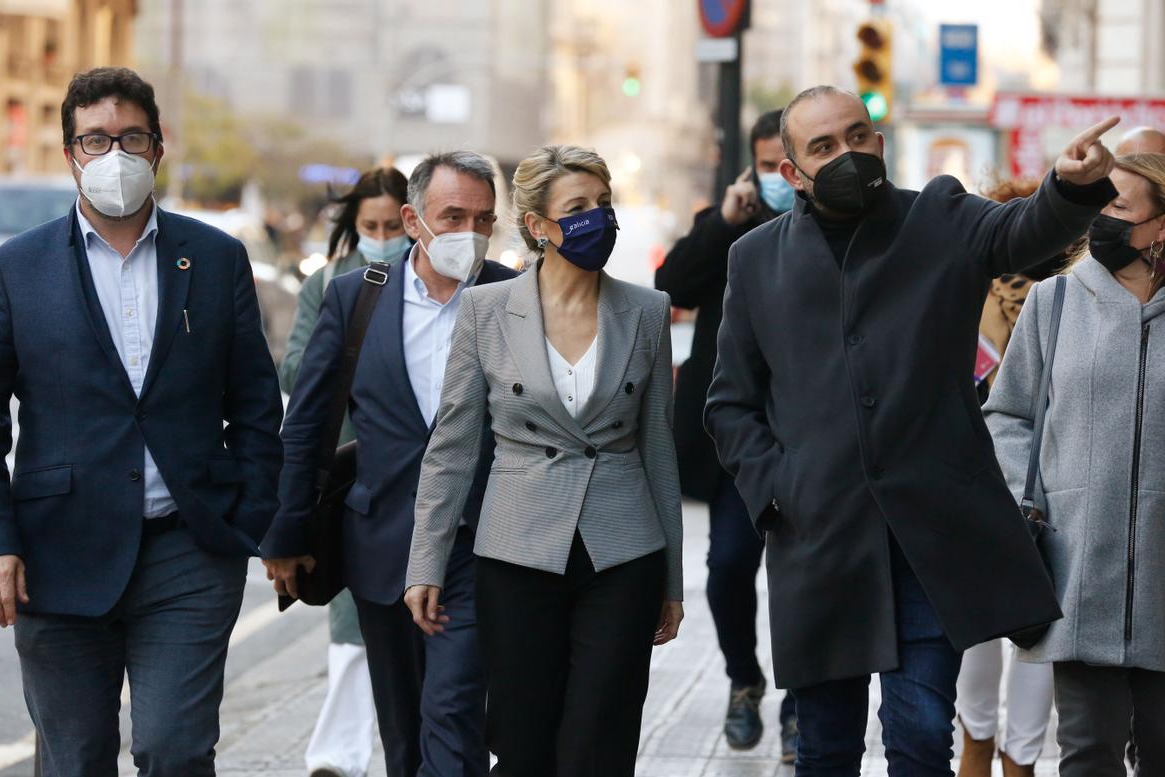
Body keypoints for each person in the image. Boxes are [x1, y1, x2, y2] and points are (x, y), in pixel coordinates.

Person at [703, 85, 1118, 775]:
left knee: (922, 740)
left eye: (859, 135)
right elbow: (729, 403)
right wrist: (778, 490)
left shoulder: (941, 217)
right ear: (792, 173)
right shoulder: (755, 260)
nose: (849, 153)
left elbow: (1023, 233)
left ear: (880, 139)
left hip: (931, 541)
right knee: (825, 746)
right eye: (825, 147)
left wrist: (1069, 187)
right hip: (820, 544)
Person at [0, 67, 283, 777]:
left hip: (190, 551)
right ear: (71, 153)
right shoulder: (15, 270)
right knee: (75, 760)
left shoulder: (216, 258)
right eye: (95, 139)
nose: (114, 154)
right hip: (56, 557)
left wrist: (250, 513)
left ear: (158, 147)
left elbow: (257, 403)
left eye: (130, 136)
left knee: (174, 748)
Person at [404, 144, 684, 777]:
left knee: (600, 743)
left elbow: (658, 450)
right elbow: (452, 446)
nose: (598, 220)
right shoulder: (485, 310)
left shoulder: (646, 311)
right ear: (536, 225)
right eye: (578, 207)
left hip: (623, 552)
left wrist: (671, 580)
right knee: (524, 742)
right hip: (518, 552)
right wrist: (426, 560)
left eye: (604, 205)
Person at [264, 151, 515, 777]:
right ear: (412, 220)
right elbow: (311, 425)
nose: (470, 233)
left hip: (478, 545)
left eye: (483, 221)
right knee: (403, 734)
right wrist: (285, 535)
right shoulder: (357, 299)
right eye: (452, 216)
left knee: (453, 717)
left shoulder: (512, 295)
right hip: (384, 547)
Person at [984, 152, 1165, 777]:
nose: (1100, 220)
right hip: (1080, 570)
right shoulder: (1054, 302)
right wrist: (1026, 502)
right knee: (1087, 754)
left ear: (1160, 227)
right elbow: (1007, 416)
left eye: (1118, 207)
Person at [655, 109, 798, 756]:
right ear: (751, 166)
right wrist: (725, 219)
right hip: (738, 440)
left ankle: (802, 698)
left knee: (805, 576)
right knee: (730, 564)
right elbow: (672, 284)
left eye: (786, 163)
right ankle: (745, 679)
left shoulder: (834, 222)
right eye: (767, 164)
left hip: (811, 439)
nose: (778, 177)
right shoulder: (730, 226)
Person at [276, 167, 411, 777]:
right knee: (353, 616)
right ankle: (339, 756)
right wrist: (357, 354)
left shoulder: (441, 282)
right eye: (369, 227)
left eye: (392, 225)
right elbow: (296, 369)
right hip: (352, 472)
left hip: (422, 475)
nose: (382, 237)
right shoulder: (335, 284)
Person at [955, 178, 1063, 777]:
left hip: (1054, 484)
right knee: (978, 624)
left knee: (1037, 625)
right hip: (972, 476)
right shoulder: (965, 289)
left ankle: (1019, 757)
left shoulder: (1068, 293)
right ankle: (976, 741)